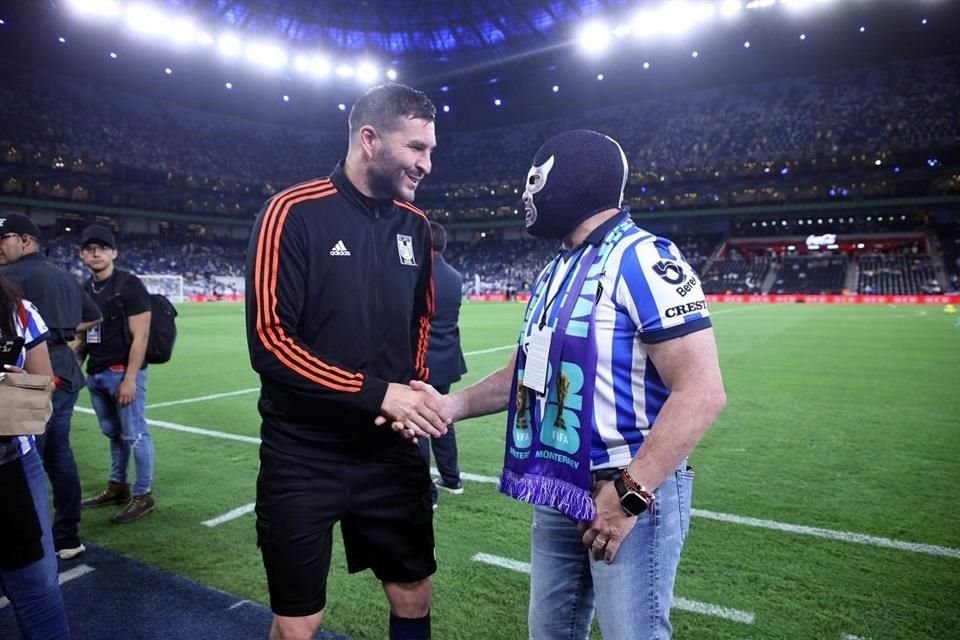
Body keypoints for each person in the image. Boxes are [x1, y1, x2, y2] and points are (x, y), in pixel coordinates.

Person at [406, 130, 726, 639]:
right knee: (549, 633)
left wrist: (629, 497)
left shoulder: (643, 259)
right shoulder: (557, 268)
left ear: (575, 180)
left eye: (535, 180)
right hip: (561, 486)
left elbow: (702, 391)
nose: (527, 195)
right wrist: (450, 404)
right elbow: (528, 372)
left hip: (625, 487)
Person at [245, 83, 450, 640]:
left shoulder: (416, 226)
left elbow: (423, 322)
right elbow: (269, 341)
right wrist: (380, 393)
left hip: (389, 452)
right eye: (416, 148)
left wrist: (414, 389)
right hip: (302, 455)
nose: (427, 164)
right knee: (298, 622)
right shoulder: (291, 213)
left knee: (413, 593)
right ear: (370, 140)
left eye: (430, 150)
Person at [0, 214, 102, 560]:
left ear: (25, 240)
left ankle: (33, 543)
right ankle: (68, 535)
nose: (0, 246)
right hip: (65, 367)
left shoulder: (8, 277)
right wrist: (63, 332)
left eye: (5, 238)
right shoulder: (65, 275)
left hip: (25, 368)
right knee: (59, 454)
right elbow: (93, 315)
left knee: (28, 457)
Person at [0, 273, 72, 639]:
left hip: (13, 465)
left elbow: (43, 395)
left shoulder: (18, 312)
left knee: (38, 586)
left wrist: (14, 387)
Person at [76, 225, 156, 525]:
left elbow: (141, 335)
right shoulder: (85, 289)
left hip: (122, 373)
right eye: (89, 248)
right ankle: (118, 485)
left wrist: (131, 378)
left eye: (102, 247)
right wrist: (76, 361)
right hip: (95, 373)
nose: (95, 252)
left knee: (135, 434)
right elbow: (86, 335)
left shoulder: (129, 284)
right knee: (113, 434)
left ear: (113, 253)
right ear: (82, 254)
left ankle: (143, 493)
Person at [418, 221, 467, 509]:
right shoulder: (455, 276)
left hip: (422, 361)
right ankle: (451, 478)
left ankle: (427, 493)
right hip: (447, 359)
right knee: (443, 421)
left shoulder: (419, 275)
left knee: (421, 425)